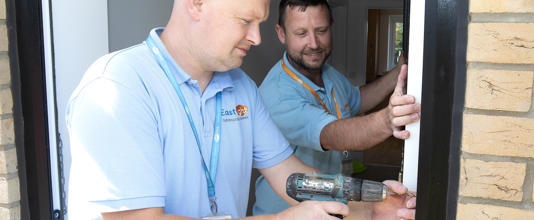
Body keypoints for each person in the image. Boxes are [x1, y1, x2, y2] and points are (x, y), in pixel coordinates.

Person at [66, 0, 416, 219]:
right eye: (245, 20)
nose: (257, 37)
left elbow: (291, 178)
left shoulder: (242, 88)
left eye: (260, 23)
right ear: (197, 3)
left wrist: (370, 204)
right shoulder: (117, 89)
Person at [253, 0, 421, 215]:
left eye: (321, 30)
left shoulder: (327, 72)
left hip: (330, 203)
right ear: (282, 34)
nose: (314, 43)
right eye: (301, 33)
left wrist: (399, 71)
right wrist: (388, 120)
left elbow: (357, 99)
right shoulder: (277, 93)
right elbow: (332, 134)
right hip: (287, 213)